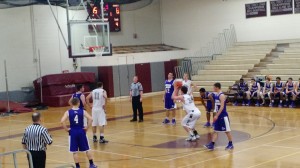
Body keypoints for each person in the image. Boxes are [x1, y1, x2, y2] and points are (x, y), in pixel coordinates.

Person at [61, 98, 97, 168]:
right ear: (78, 103)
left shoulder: (68, 112)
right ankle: (91, 164)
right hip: (81, 131)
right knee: (87, 149)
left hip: (73, 132)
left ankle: (77, 166)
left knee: (74, 151)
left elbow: (62, 121)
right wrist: (87, 127)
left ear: (71, 103)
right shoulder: (82, 111)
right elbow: (91, 119)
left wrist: (66, 129)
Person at [204, 83, 233, 151]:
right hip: (218, 116)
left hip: (223, 116)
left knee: (227, 131)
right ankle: (212, 144)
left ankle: (231, 144)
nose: (213, 88)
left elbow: (222, 107)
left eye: (214, 87)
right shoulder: (217, 94)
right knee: (215, 130)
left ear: (217, 87)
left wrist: (216, 115)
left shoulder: (221, 95)